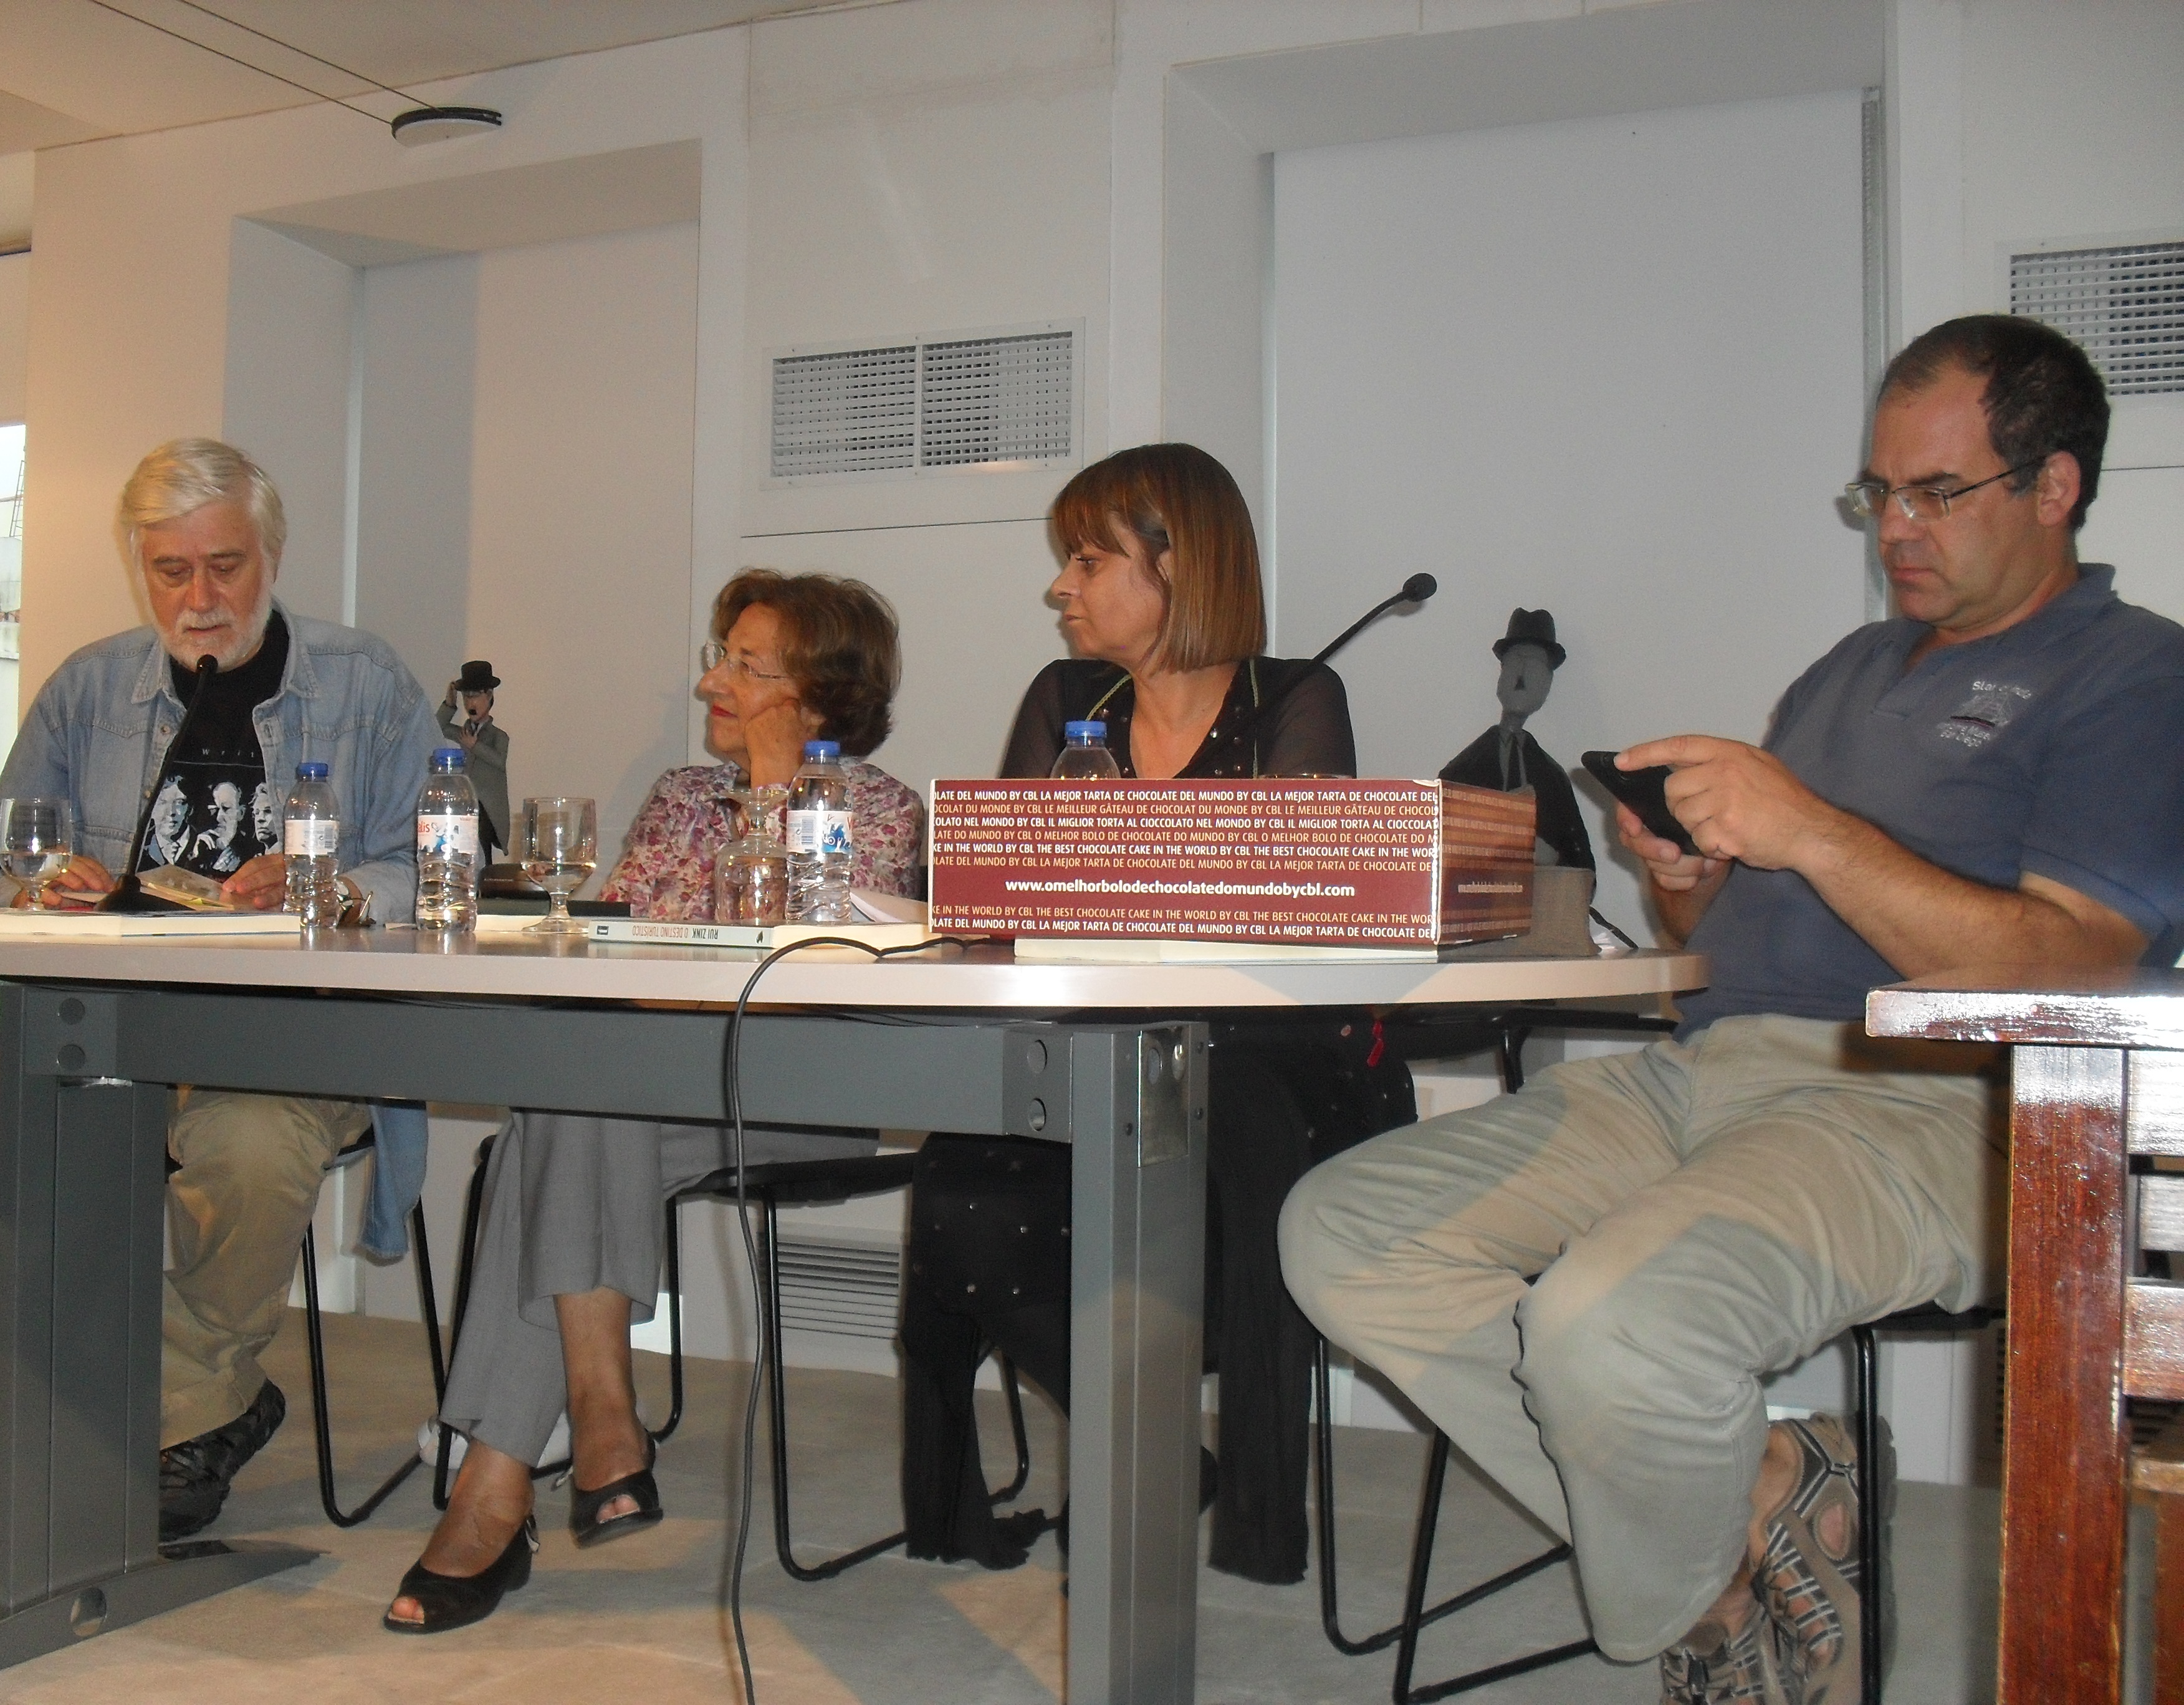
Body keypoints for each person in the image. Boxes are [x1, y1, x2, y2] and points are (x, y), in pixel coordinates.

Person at [1279, 315, 2184, 1704]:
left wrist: (1806, 828)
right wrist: (1686, 885)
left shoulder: (2131, 675)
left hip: (1930, 1102)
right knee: (1341, 1231)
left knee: (1607, 1325)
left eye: (1935, 491)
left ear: (2054, 486)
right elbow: (1723, 946)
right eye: (1877, 492)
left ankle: (1703, 1603)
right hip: (1699, 1073)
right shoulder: (1848, 670)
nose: (1895, 527)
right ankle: (1757, 1502)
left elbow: (2079, 966)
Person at [900, 442, 1417, 1583]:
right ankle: (1162, 1450)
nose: (1061, 587)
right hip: (1102, 1048)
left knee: (1230, 1123)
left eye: (1088, 560)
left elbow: (1293, 904)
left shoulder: (1297, 698)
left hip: (1276, 1063)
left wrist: (1111, 885)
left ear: (1177, 562)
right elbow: (999, 893)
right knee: (958, 1187)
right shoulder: (1065, 700)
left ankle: (1242, 1509)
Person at [386, 569, 925, 1633]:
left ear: (818, 693)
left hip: (798, 1096)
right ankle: (583, 1430)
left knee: (559, 1112)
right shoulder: (682, 795)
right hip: (648, 1086)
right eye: (720, 656)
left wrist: (663, 978)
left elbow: (816, 977)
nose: (710, 681)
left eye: (744, 665)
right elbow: (615, 950)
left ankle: (523, 1465)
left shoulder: (876, 809)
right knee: (577, 1094)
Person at [0, 437, 435, 1540]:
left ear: (272, 557)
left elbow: (442, 863)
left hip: (288, 1044)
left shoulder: (366, 682)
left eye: (226, 565)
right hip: (99, 1030)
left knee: (249, 1150)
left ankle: (159, 1398)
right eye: (171, 571)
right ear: (139, 566)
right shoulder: (87, 689)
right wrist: (44, 886)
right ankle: (202, 1400)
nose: (199, 598)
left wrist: (339, 887)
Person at [1439, 608, 1594, 870]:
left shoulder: (1553, 777)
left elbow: (1580, 860)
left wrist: (1552, 857)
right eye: (1514, 662)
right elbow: (1440, 838)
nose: (1521, 673)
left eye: (1535, 665)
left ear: (1547, 684)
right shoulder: (1461, 770)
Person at [438, 660, 510, 862]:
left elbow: (499, 761)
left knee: (481, 845)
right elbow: (438, 727)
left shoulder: (499, 736)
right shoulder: (464, 733)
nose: (471, 704)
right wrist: (449, 704)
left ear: (489, 695)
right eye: (467, 697)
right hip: (466, 801)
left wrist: (474, 746)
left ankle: (484, 873)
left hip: (487, 807)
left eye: (476, 696)